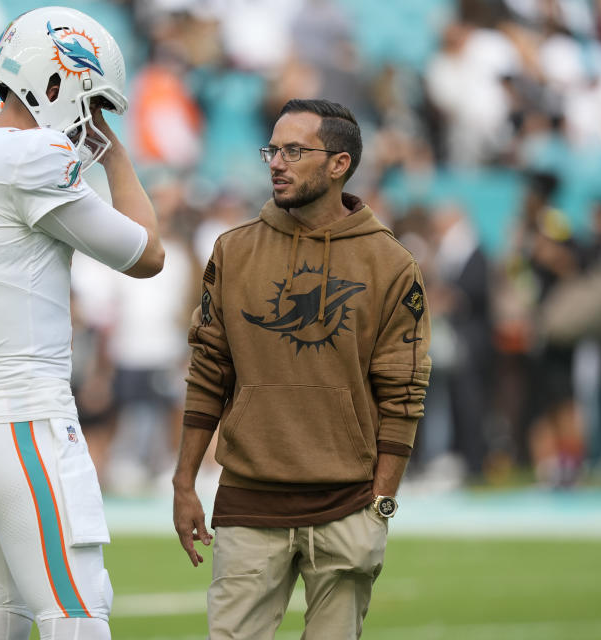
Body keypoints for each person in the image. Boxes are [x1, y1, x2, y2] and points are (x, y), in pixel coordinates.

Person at [0, 7, 164, 639]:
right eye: (91, 100)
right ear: (57, 83)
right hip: (20, 417)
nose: (90, 118)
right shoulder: (35, 155)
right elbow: (148, 255)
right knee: (76, 612)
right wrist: (116, 158)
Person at [172, 98, 431, 639]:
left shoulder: (391, 263)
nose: (276, 163)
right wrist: (184, 480)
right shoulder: (233, 249)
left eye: (294, 150)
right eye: (273, 150)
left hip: (346, 506)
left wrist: (380, 505)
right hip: (248, 503)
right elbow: (207, 373)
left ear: (340, 164)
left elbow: (404, 393)